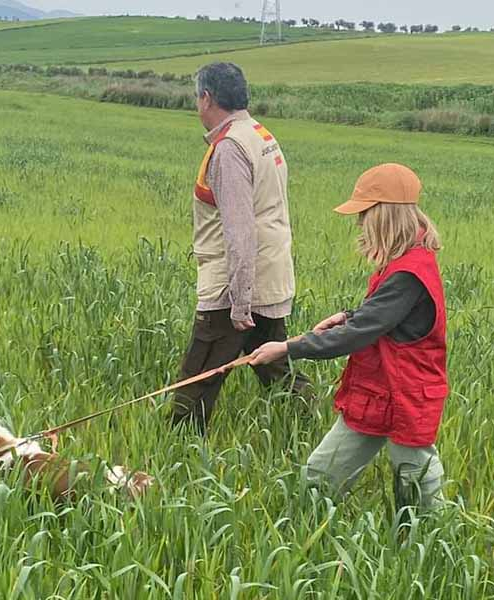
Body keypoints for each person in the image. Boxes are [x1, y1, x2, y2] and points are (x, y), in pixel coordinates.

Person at [250, 163, 448, 509]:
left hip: (406, 396)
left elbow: (357, 335)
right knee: (319, 478)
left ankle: (433, 548)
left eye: (364, 215)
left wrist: (287, 347)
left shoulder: (409, 273)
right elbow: (381, 317)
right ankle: (305, 530)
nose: (359, 224)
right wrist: (348, 315)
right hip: (377, 392)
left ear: (384, 216)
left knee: (418, 492)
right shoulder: (406, 262)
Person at [172, 62, 309, 434]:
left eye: (196, 97)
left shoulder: (229, 149)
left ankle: (176, 447)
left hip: (233, 287)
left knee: (199, 376)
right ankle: (307, 425)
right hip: (269, 274)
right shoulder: (260, 135)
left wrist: (240, 300)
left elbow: (240, 230)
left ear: (207, 98)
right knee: (273, 361)